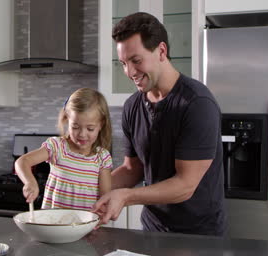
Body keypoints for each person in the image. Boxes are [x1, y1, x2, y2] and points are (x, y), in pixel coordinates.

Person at [91, 12, 226, 236]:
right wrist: (84, 189)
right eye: (123, 63)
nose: (130, 72)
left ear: (161, 51)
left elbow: (185, 185)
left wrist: (125, 196)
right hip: (152, 232)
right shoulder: (133, 106)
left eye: (136, 60)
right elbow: (132, 168)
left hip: (199, 238)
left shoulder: (197, 104)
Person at [15, 87, 113, 210]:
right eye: (75, 127)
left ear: (101, 124)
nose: (82, 134)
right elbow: (22, 162)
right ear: (67, 120)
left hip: (85, 227)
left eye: (90, 128)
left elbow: (105, 196)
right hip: (53, 225)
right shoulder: (57, 147)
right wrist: (30, 182)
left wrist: (103, 210)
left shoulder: (102, 158)